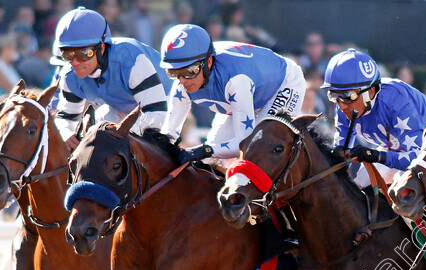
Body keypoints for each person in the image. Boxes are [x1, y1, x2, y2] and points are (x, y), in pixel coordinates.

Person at [159, 24, 306, 164]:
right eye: (173, 72)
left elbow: (246, 142)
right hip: (241, 95)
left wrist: (204, 149)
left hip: (283, 84)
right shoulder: (181, 85)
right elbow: (169, 134)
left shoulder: (236, 81)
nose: (183, 80)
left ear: (208, 62)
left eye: (190, 71)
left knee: (259, 149)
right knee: (205, 161)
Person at [53, 7, 172, 149]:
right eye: (68, 54)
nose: (75, 62)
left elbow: (156, 115)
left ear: (101, 49)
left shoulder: (131, 61)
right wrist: (65, 133)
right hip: (121, 109)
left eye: (84, 53)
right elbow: (66, 118)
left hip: (167, 102)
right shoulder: (69, 75)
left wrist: (119, 136)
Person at [322, 48, 426, 181]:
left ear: (371, 92)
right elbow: (341, 155)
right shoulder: (342, 105)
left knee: (402, 187)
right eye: (334, 96)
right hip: (396, 149)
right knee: (360, 183)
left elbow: (418, 157)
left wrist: (376, 155)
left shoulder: (397, 98)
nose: (342, 105)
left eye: (348, 96)